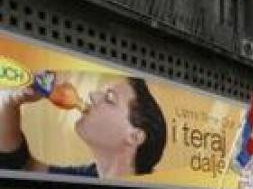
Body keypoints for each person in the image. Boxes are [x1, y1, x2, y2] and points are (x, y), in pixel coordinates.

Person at [0, 75, 167, 177]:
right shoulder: (88, 175)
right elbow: (20, 165)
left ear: (135, 136)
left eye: (109, 98)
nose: (93, 95)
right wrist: (10, 102)